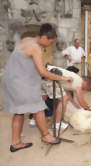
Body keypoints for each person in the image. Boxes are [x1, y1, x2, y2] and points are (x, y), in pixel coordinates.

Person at [2, 23, 73, 152]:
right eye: (51, 42)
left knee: (19, 111)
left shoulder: (27, 40)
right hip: (20, 83)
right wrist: (64, 78)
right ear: (45, 38)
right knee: (39, 107)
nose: (51, 45)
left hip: (10, 80)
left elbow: (28, 61)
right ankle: (46, 136)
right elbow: (43, 73)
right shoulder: (36, 48)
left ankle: (16, 143)